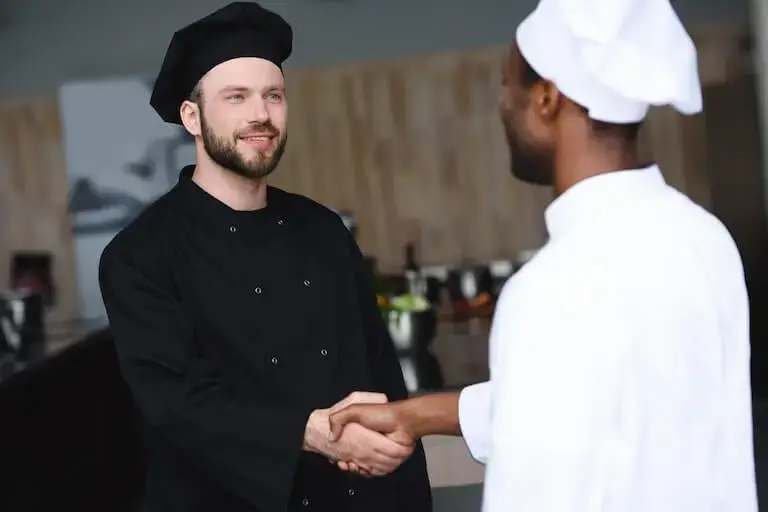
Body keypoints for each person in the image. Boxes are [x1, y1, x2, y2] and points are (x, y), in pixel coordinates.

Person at [329, 0, 759, 510]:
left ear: (548, 99)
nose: (503, 104)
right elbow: (587, 405)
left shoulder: (551, 290)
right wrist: (414, 416)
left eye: (508, 85)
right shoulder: (704, 240)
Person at [97, 2, 432, 511]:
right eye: (236, 97)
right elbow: (178, 404)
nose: (260, 114)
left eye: (273, 95)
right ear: (192, 116)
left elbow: (381, 374)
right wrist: (312, 431)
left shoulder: (322, 229)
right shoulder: (139, 256)